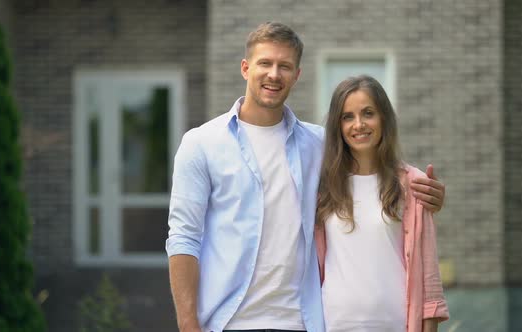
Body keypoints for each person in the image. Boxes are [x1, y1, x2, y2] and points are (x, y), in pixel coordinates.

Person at [166, 22, 445, 332]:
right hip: (228, 321)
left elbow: (374, 167)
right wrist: (188, 324)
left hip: (302, 321)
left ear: (296, 75)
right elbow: (183, 238)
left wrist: (424, 192)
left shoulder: (319, 144)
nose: (274, 74)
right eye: (265, 63)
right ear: (245, 68)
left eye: (284, 66)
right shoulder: (201, 144)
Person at [314, 75, 449, 332]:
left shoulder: (413, 183)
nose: (359, 124)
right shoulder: (322, 188)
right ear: (337, 126)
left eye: (368, 113)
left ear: (384, 118)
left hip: (395, 324)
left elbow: (428, 275)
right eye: (347, 117)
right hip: (332, 324)